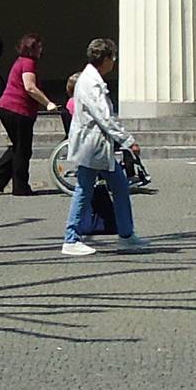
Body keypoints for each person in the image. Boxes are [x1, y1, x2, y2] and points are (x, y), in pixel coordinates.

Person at [61, 38, 143, 256]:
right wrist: (128, 140)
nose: (114, 62)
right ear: (105, 59)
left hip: (97, 147)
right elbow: (104, 117)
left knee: (120, 186)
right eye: (112, 57)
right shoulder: (91, 83)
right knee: (84, 189)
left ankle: (126, 234)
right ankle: (71, 237)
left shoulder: (90, 79)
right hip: (92, 146)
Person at [0, 35, 53, 195]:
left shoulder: (20, 61)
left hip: (8, 108)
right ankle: (20, 187)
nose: (41, 50)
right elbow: (30, 87)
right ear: (32, 48)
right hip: (18, 110)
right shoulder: (28, 63)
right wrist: (47, 103)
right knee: (23, 149)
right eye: (39, 47)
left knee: (18, 146)